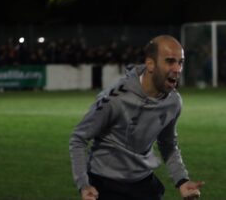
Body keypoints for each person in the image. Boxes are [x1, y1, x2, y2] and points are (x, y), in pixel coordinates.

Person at [69, 35, 204, 200]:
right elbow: (78, 138)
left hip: (143, 184)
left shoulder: (173, 102)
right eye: (170, 61)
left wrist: (182, 180)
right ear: (150, 64)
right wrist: (84, 184)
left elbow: (168, 144)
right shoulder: (115, 98)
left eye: (180, 62)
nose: (177, 69)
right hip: (105, 186)